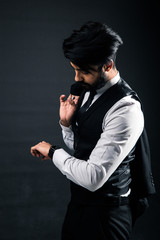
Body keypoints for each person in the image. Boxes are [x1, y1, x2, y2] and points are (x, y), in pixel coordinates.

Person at [30, 21, 155, 240]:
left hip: (108, 217)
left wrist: (52, 151)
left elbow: (93, 176)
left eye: (83, 71)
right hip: (79, 207)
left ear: (107, 65)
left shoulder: (126, 109)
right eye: (75, 69)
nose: (77, 78)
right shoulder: (89, 90)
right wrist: (67, 125)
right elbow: (85, 152)